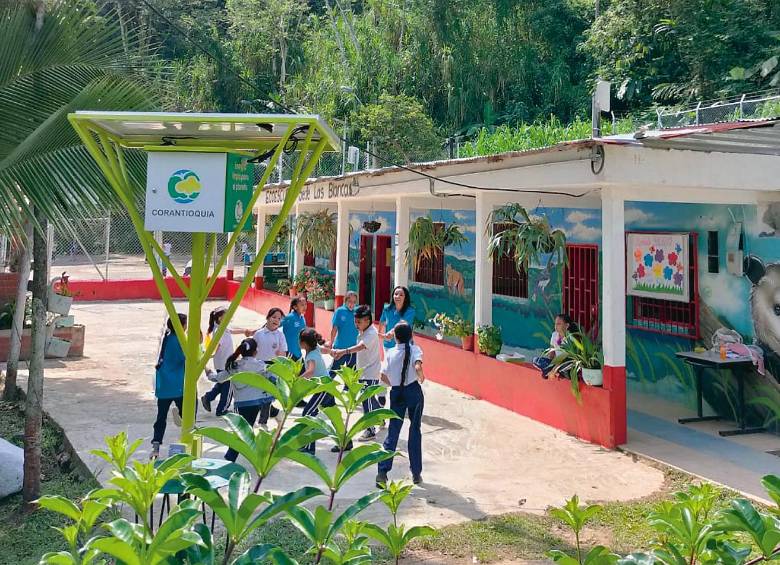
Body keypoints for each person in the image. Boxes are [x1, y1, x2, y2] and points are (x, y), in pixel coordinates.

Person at [207, 338, 275, 462]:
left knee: (241, 432)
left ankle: (231, 458)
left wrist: (208, 372)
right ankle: (262, 454)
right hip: (256, 403)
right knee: (245, 431)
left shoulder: (234, 365)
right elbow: (273, 378)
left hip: (241, 405)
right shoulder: (260, 365)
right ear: (256, 351)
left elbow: (217, 378)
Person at [376, 322, 425, 486]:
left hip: (397, 392)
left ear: (395, 337)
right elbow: (417, 364)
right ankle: (416, 473)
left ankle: (382, 472)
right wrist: (420, 375)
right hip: (413, 391)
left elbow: (382, 376)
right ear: (410, 336)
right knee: (415, 430)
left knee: (393, 431)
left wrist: (394, 384)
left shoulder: (390, 353)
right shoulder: (414, 349)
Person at [332, 304, 382, 445]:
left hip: (370, 372)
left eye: (358, 322)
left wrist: (343, 351)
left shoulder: (371, 333)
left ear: (367, 320)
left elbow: (360, 347)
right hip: (364, 371)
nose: (356, 324)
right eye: (355, 321)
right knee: (371, 399)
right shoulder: (364, 331)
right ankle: (381, 417)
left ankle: (370, 430)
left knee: (367, 401)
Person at [151, 313, 187, 459]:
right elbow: (186, 358)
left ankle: (156, 447)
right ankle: (187, 439)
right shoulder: (179, 341)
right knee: (190, 413)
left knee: (161, 417)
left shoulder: (167, 338)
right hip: (177, 385)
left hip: (164, 385)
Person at [249, 307, 287, 426]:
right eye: (274, 317)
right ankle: (275, 413)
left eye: (279, 318)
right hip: (259, 366)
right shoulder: (259, 334)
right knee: (258, 394)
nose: (276, 320)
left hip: (273, 367)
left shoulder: (280, 335)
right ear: (268, 318)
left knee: (267, 395)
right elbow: (252, 350)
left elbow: (284, 352)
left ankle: (263, 421)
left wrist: (279, 355)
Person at [298, 328, 332, 454]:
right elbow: (324, 350)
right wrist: (332, 351)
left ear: (304, 343)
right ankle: (346, 442)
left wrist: (298, 380)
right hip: (328, 385)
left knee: (308, 413)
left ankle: (309, 447)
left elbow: (311, 371)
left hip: (323, 388)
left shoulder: (311, 355)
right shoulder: (315, 348)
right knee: (333, 416)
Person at [200, 306, 235, 416]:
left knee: (222, 383)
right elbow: (215, 346)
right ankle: (222, 409)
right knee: (228, 386)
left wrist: (246, 331)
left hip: (222, 362)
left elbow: (232, 331)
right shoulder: (218, 331)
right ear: (220, 318)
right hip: (224, 363)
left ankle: (208, 397)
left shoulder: (222, 327)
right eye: (227, 315)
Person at [532, 313, 577, 379]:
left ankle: (552, 372)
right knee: (535, 360)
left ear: (567, 325)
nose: (555, 326)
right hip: (556, 363)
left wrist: (553, 370)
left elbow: (565, 358)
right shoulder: (554, 335)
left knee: (566, 366)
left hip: (566, 363)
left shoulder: (571, 338)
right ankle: (553, 371)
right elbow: (551, 354)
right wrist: (550, 365)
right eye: (555, 324)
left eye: (558, 324)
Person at [329, 291, 359, 374]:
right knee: (334, 371)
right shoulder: (339, 311)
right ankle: (326, 386)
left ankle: (347, 387)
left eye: (354, 302)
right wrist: (331, 343)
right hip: (340, 348)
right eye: (349, 301)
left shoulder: (357, 311)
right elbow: (334, 329)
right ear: (345, 301)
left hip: (353, 349)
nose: (352, 304)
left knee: (351, 374)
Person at [282, 296, 307, 361]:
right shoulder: (290, 317)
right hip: (289, 353)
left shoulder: (302, 318)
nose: (305, 307)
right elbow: (274, 324)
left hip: (299, 353)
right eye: (302, 305)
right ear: (295, 307)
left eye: (305, 304)